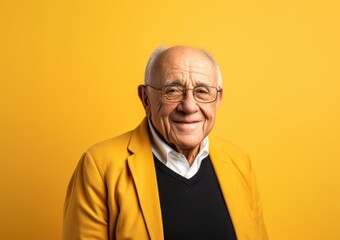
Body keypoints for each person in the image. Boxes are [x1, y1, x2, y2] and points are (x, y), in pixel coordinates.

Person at [62, 45, 268, 240]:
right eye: (172, 91)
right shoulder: (99, 166)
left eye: (202, 92)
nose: (189, 106)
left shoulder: (239, 162)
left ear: (218, 99)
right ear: (145, 98)